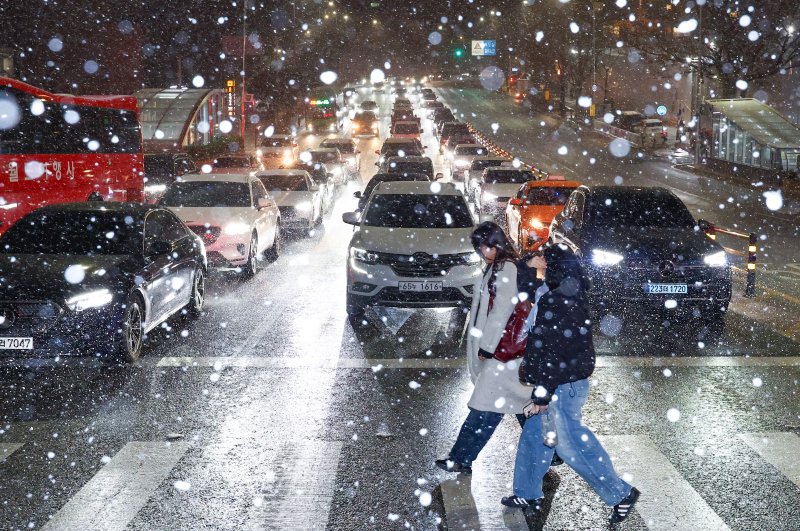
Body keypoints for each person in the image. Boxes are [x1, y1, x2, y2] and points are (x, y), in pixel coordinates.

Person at [502, 243, 640, 524]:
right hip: (564, 381)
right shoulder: (568, 290)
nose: (541, 269)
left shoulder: (558, 300)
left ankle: (619, 493)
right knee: (535, 436)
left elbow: (553, 355)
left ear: (555, 269)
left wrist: (542, 395)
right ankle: (527, 491)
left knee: (570, 444)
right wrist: (530, 266)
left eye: (545, 265)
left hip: (563, 386)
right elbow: (524, 290)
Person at [435, 222, 540, 474]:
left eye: (487, 245)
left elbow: (501, 311)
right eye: (480, 246)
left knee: (485, 406)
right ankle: (552, 452)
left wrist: (488, 346)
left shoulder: (505, 268)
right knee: (519, 408)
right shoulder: (497, 267)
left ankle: (460, 458)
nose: (483, 251)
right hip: (505, 353)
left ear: (498, 243)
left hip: (503, 353)